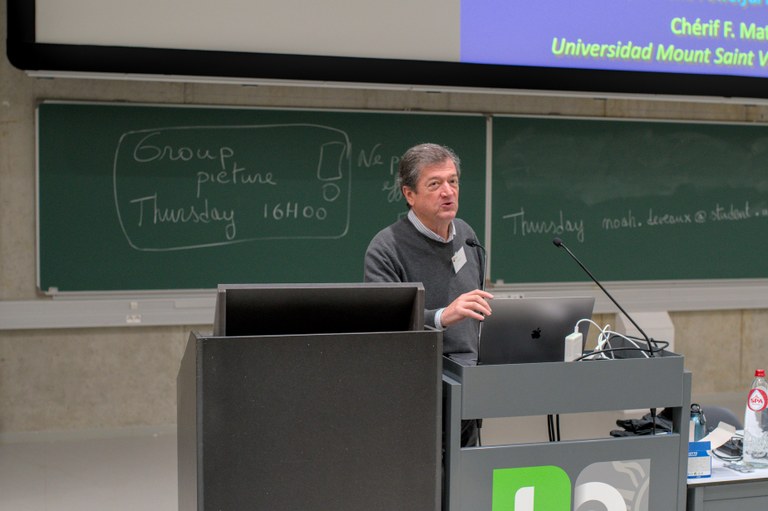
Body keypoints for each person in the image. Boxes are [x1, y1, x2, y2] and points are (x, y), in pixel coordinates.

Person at [364, 143, 493, 446]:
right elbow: (385, 325)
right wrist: (441, 317)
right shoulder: (386, 248)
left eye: (453, 181)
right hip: (418, 391)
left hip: (470, 383)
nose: (448, 192)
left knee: (468, 470)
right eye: (435, 184)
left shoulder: (467, 235)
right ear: (409, 194)